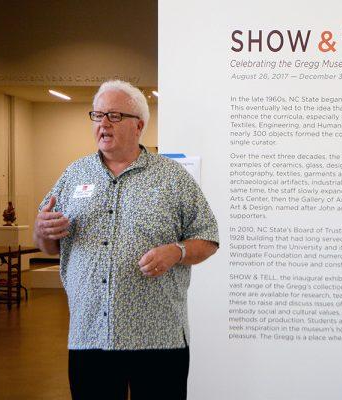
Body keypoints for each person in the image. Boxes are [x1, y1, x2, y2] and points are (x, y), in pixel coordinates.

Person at [33, 80, 219, 399]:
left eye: (114, 116)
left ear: (139, 126)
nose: (103, 124)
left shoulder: (172, 177)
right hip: (90, 335)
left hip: (158, 337)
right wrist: (42, 231)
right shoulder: (74, 175)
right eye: (98, 115)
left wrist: (177, 251)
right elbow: (47, 245)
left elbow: (209, 238)